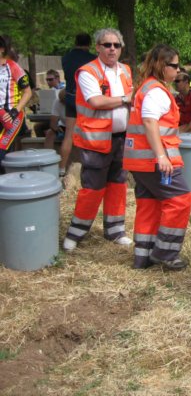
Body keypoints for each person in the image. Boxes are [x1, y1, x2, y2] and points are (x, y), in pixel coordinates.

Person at [62, 28, 133, 252]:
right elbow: (96, 101)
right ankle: (76, 233)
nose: (112, 49)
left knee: (118, 186)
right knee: (92, 188)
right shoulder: (88, 71)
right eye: (107, 44)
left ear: (121, 48)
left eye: (116, 45)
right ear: (97, 48)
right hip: (96, 140)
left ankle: (115, 230)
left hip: (122, 138)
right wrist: (125, 98)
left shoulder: (126, 70)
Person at [124, 44, 191, 270]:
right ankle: (165, 252)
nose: (178, 70)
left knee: (149, 204)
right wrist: (161, 156)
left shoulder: (146, 87)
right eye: (174, 65)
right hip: (155, 161)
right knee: (181, 200)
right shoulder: (156, 91)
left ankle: (142, 256)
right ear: (163, 66)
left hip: (139, 160)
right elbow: (149, 121)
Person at [60, 33, 95, 176]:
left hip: (70, 97)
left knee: (68, 134)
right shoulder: (93, 59)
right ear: (90, 44)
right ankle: (90, 167)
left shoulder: (65, 58)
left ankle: (62, 168)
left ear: (75, 42)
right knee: (90, 134)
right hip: (86, 99)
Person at [0, 34, 32, 169]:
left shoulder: (13, 67)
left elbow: (28, 92)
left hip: (11, 115)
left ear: (2, 49)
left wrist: (14, 111)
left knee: (1, 152)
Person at [34, 69, 66, 137]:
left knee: (40, 127)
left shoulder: (64, 89)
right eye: (47, 80)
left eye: (50, 79)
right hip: (54, 117)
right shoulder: (52, 90)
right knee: (38, 126)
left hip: (63, 118)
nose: (48, 82)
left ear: (57, 79)